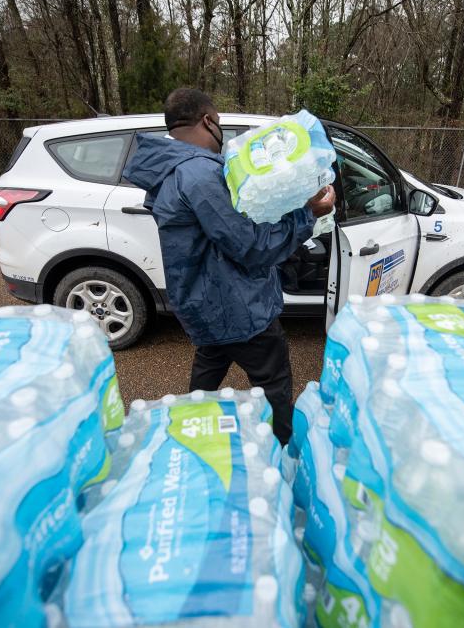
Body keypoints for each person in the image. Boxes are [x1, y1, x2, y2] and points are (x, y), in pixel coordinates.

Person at [122, 88, 336, 444]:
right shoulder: (199, 175)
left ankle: (186, 436)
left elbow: (220, 230)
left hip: (202, 299)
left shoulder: (171, 169)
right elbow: (250, 246)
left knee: (207, 376)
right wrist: (307, 215)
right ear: (208, 121)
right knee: (274, 386)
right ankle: (284, 454)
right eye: (219, 123)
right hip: (235, 305)